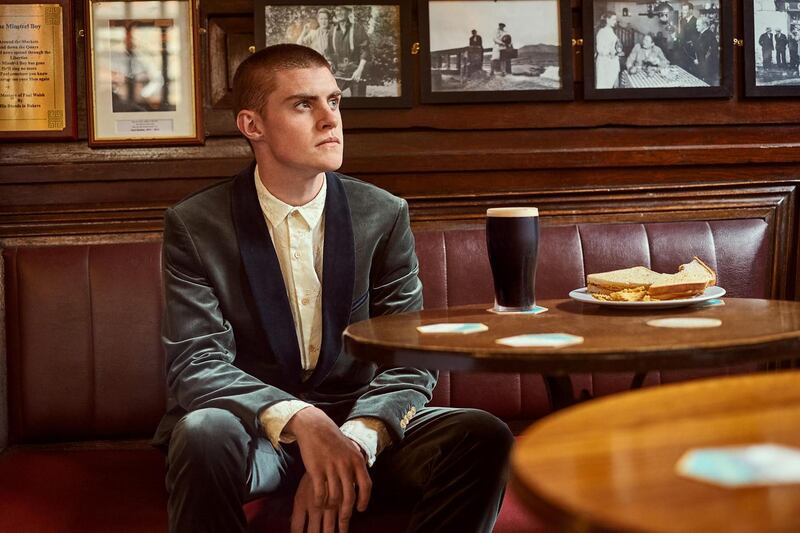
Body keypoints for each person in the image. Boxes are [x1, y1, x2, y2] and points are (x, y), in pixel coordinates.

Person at [154, 43, 513, 533]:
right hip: (255, 434)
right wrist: (303, 421)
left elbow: (411, 356)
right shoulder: (196, 225)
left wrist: (352, 443)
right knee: (201, 430)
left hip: (358, 423)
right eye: (304, 104)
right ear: (252, 125)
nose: (330, 120)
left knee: (483, 433)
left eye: (335, 101)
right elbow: (196, 364)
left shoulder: (383, 214)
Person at [331, 5, 370, 96]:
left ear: (348, 12)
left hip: (356, 71)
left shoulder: (357, 28)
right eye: (337, 10)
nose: (339, 12)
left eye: (342, 10)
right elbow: (329, 51)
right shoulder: (333, 30)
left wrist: (360, 69)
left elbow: (365, 50)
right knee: (332, 100)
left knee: (358, 103)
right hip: (339, 72)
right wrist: (330, 63)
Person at [595, 11, 622, 89]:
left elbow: (613, 45)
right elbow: (599, 49)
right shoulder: (602, 31)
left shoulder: (610, 30)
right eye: (614, 19)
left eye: (615, 19)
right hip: (604, 62)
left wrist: (617, 50)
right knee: (604, 86)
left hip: (612, 61)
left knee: (613, 84)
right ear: (607, 20)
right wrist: (611, 52)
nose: (615, 21)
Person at [693, 16, 719, 85]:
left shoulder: (707, 35)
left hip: (707, 67)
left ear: (704, 25)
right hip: (706, 66)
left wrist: (698, 60)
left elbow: (706, 52)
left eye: (698, 25)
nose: (696, 27)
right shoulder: (705, 34)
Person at [676, 2, 699, 72]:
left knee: (692, 70)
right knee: (683, 68)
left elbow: (698, 37)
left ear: (691, 11)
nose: (683, 12)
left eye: (685, 10)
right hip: (682, 49)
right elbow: (681, 34)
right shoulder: (682, 21)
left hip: (692, 50)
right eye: (683, 10)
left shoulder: (696, 21)